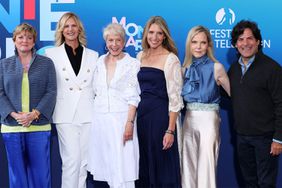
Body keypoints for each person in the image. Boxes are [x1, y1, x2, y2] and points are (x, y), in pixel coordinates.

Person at [45, 12, 98, 188]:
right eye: (66, 26)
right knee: (71, 161)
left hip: (88, 113)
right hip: (65, 113)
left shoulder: (93, 55)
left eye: (73, 25)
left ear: (79, 28)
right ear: (61, 30)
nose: (70, 29)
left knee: (84, 162)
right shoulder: (51, 54)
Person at [0, 23, 57, 188]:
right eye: (21, 37)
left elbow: (51, 91)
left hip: (38, 127)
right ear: (14, 40)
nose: (25, 40)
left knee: (40, 176)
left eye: (29, 37)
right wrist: (15, 115)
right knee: (17, 176)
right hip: (12, 127)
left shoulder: (46, 64)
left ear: (34, 42)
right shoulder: (4, 64)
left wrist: (34, 114)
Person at [229, 20, 282, 187]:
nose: (245, 43)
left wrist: (278, 139)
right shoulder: (233, 69)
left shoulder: (272, 68)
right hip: (242, 138)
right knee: (249, 182)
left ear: (258, 41)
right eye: (240, 39)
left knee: (266, 183)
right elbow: (226, 94)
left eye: (249, 38)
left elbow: (281, 104)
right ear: (235, 44)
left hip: (266, 140)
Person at [87, 23, 140, 188]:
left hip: (122, 120)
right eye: (110, 40)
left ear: (124, 42)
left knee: (124, 168)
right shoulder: (99, 61)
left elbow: (134, 97)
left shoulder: (132, 63)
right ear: (106, 42)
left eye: (118, 40)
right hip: (100, 120)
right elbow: (94, 90)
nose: (114, 44)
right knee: (107, 166)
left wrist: (129, 123)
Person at [135, 16, 183, 188]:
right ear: (146, 33)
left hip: (160, 120)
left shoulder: (171, 59)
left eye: (159, 33)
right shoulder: (140, 56)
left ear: (165, 36)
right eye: (151, 32)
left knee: (162, 166)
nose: (154, 37)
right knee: (143, 165)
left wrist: (170, 130)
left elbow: (175, 98)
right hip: (140, 120)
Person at [180, 25, 230, 188]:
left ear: (208, 45)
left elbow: (236, 96)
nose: (198, 47)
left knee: (206, 165)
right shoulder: (184, 69)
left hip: (209, 121)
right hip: (188, 120)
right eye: (194, 42)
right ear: (189, 44)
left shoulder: (217, 67)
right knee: (188, 165)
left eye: (202, 43)